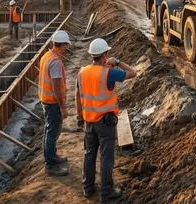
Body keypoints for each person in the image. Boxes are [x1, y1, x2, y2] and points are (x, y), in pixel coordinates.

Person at [76, 38, 137, 202]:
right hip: (105, 123)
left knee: (89, 154)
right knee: (106, 157)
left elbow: (77, 95)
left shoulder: (82, 72)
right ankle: (106, 192)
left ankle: (88, 188)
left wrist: (79, 117)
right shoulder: (109, 73)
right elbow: (133, 73)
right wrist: (117, 62)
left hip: (89, 121)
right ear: (104, 55)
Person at [38, 30, 71, 176]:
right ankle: (50, 164)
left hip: (45, 99)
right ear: (62, 45)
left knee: (49, 129)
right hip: (52, 102)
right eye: (66, 45)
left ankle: (51, 156)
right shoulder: (56, 62)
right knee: (52, 131)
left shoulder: (47, 55)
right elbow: (56, 86)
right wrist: (63, 107)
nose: (66, 48)